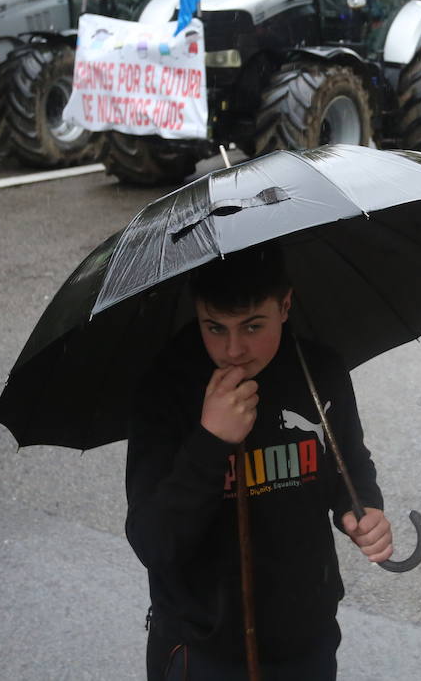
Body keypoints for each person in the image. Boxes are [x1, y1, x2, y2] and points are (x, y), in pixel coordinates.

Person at [126, 247, 392, 680]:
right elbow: (153, 543)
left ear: (285, 305)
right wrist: (212, 440)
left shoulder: (318, 370)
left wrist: (361, 507)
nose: (234, 350)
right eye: (215, 327)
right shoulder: (166, 387)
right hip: (202, 646)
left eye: (252, 326)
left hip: (306, 636)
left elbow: (351, 463)